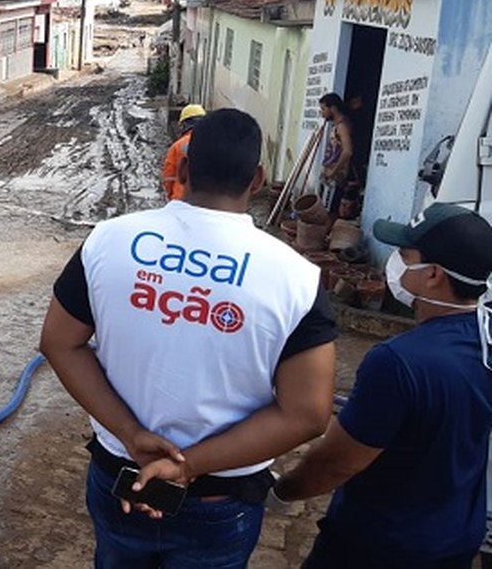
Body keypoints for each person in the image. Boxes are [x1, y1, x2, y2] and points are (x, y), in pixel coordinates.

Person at [39, 108, 337, 567]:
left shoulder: (108, 241)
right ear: (257, 180)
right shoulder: (296, 279)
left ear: (181, 169)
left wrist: (131, 433)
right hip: (220, 500)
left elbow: (59, 343)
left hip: (121, 474)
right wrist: (187, 465)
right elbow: (308, 414)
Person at [274, 203, 492, 569]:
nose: (396, 262)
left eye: (405, 255)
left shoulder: (398, 362)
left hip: (378, 547)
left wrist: (282, 491)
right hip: (455, 541)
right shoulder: (483, 340)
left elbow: (335, 463)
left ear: (434, 274)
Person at [318, 93, 353, 220]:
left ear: (332, 108)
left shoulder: (342, 127)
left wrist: (334, 170)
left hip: (334, 177)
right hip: (329, 175)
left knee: (329, 210)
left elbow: (347, 151)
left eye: (323, 109)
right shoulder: (336, 125)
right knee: (325, 208)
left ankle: (326, 235)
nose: (322, 113)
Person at [161, 103, 206, 201]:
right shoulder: (215, 144)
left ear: (184, 124)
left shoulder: (177, 146)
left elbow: (168, 176)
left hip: (180, 199)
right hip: (208, 203)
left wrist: (170, 197)